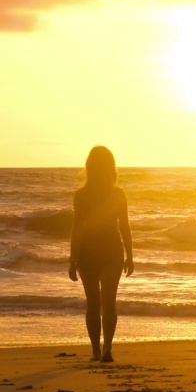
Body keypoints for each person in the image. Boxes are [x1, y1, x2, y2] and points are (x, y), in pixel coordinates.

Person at [68, 145, 134, 363]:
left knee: (94, 303)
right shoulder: (117, 194)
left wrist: (72, 258)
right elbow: (124, 227)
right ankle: (105, 349)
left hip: (90, 251)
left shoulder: (82, 195)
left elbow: (77, 229)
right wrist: (130, 255)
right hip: (111, 250)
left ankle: (97, 351)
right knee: (108, 302)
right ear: (111, 168)